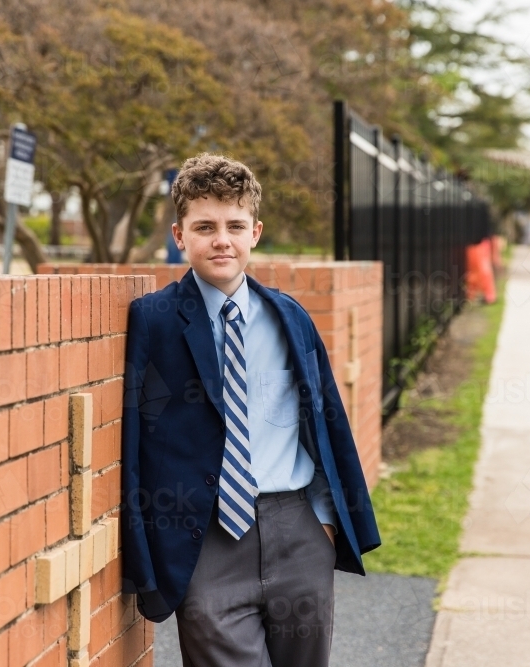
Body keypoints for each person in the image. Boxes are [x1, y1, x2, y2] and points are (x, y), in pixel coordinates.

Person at [120, 153, 381, 666]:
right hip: (205, 541)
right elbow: (133, 443)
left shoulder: (290, 318)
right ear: (179, 236)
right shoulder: (153, 321)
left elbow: (325, 425)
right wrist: (147, 551)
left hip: (297, 532)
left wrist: (324, 522)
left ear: (255, 232)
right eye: (205, 226)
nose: (222, 239)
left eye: (235, 225)